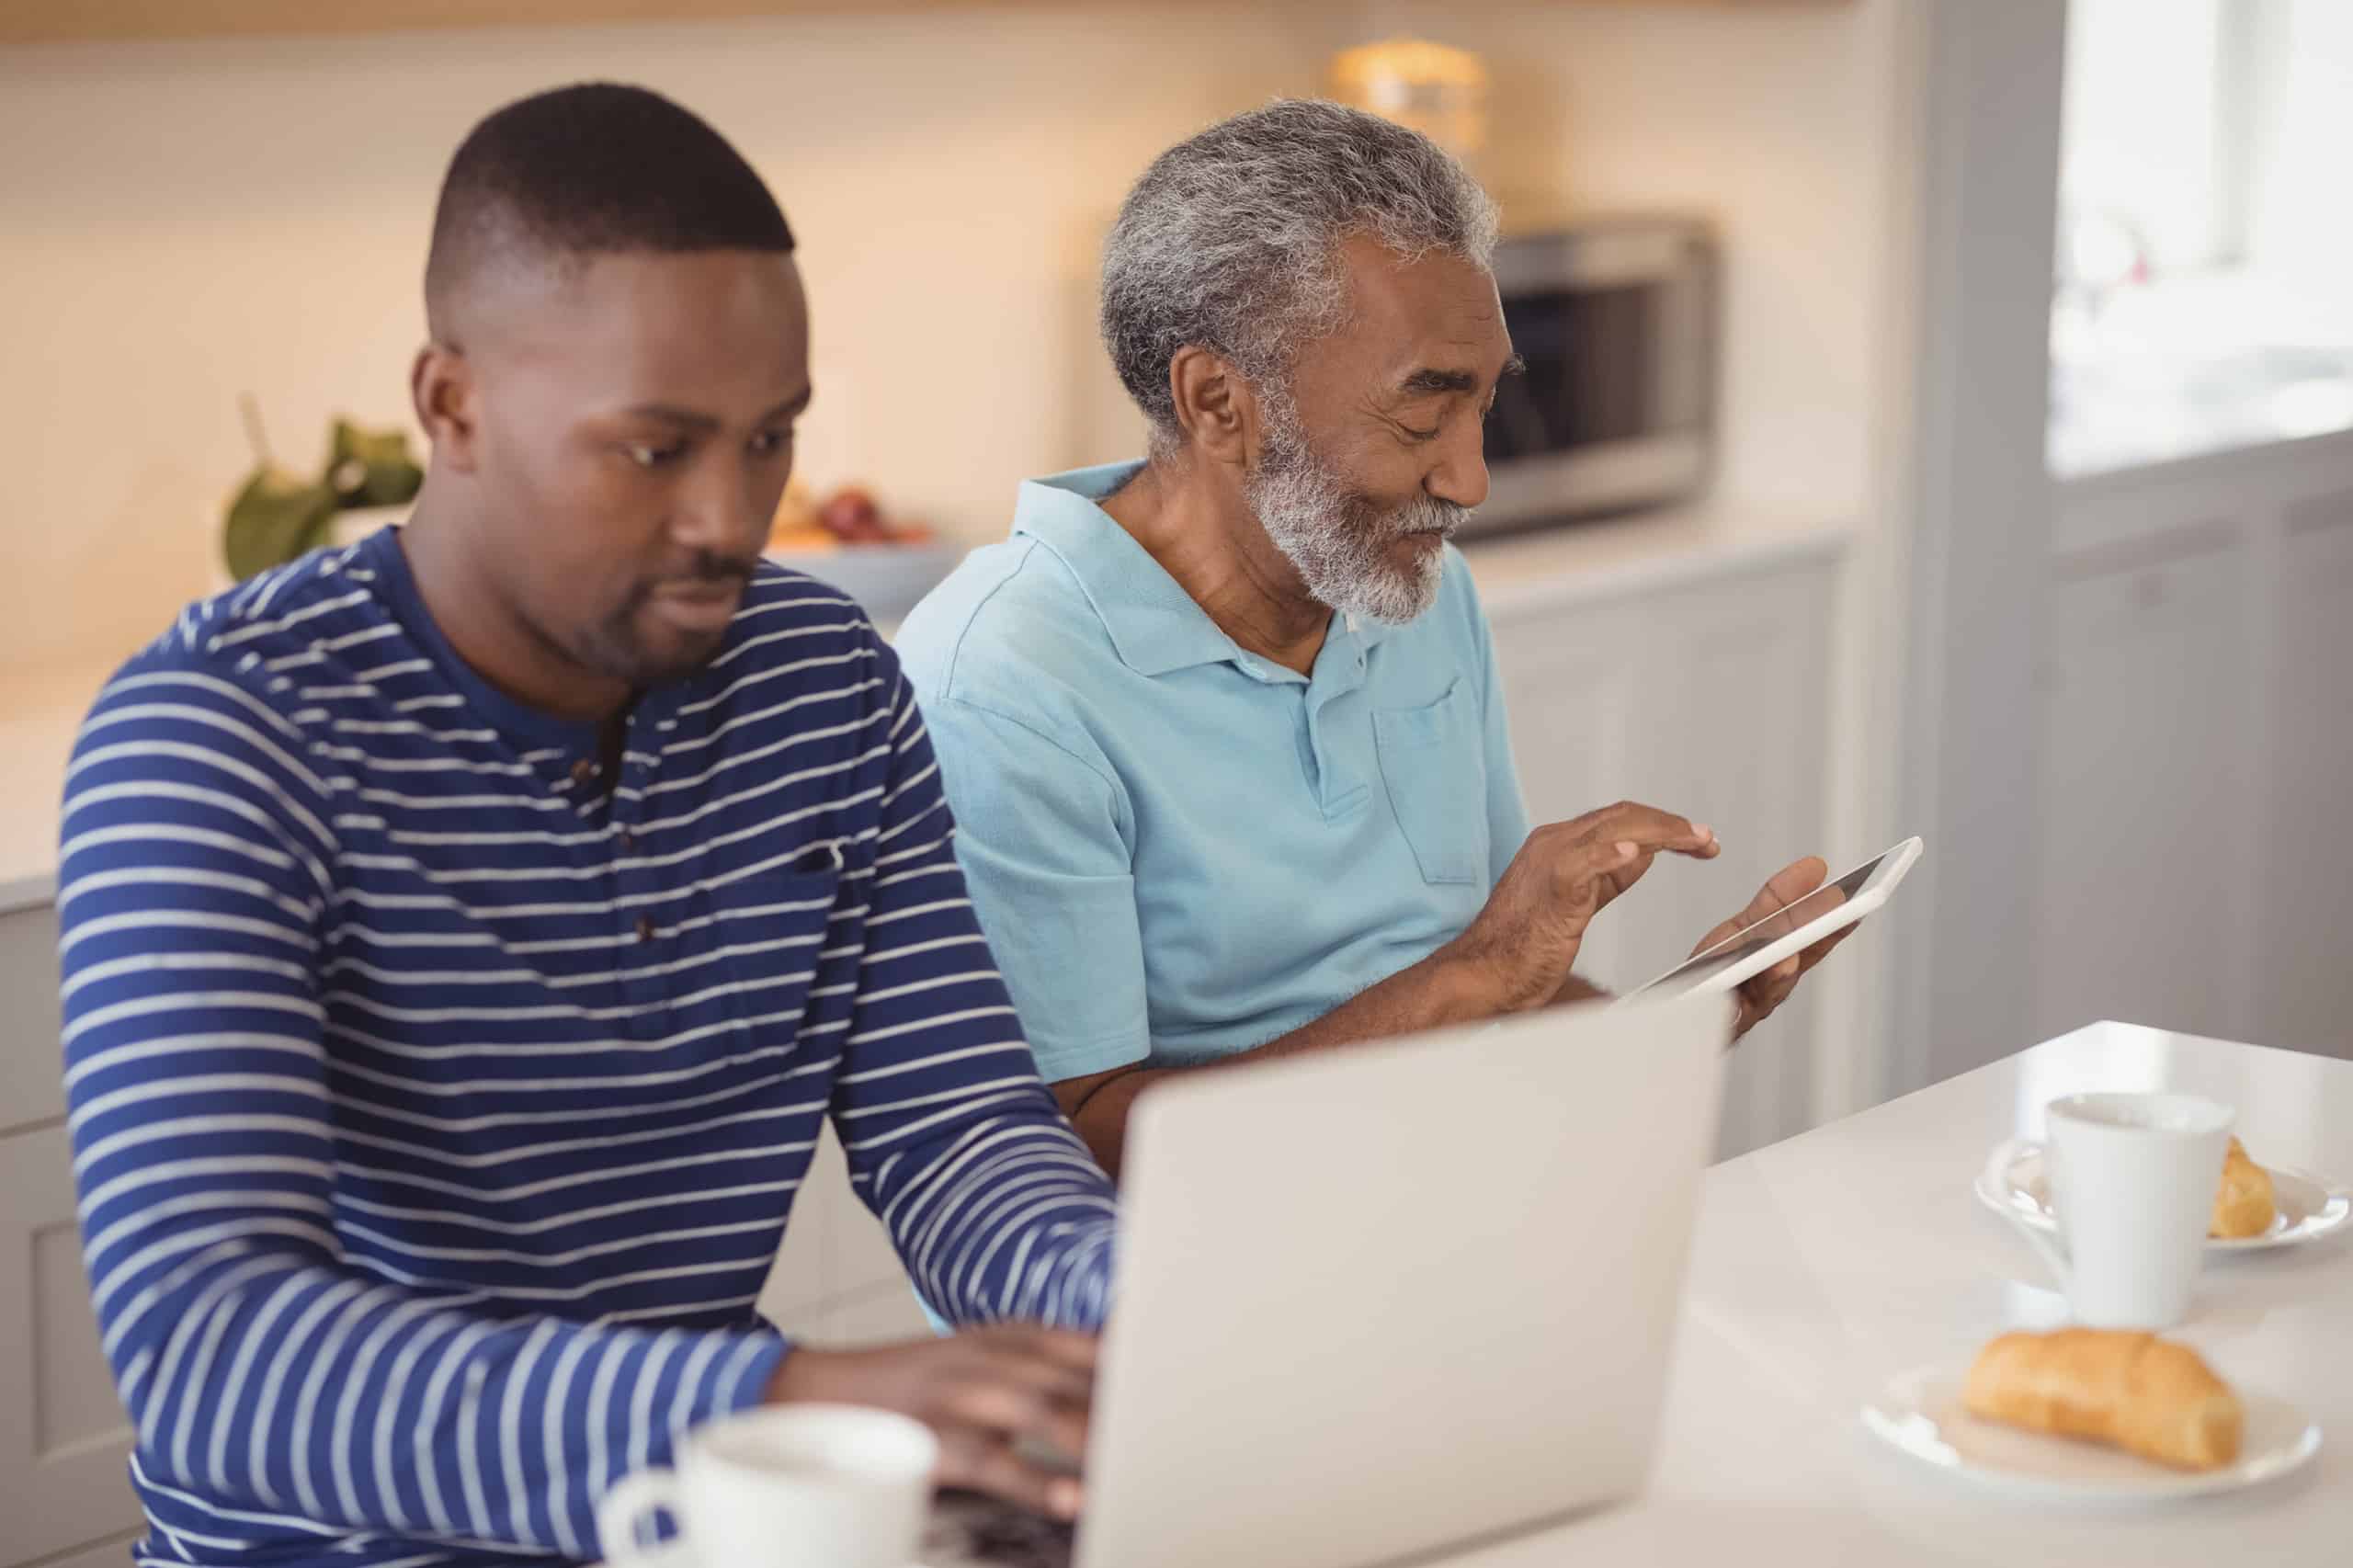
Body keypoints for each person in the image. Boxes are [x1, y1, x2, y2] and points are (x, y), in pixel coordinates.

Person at [59, 85, 1112, 1568]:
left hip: (723, 1517)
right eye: (654, 448)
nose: (729, 517)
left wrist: (1130, 1318)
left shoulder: (824, 683)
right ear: (453, 405)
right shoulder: (218, 739)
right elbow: (213, 1357)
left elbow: (957, 1132)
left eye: (769, 439)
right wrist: (782, 1393)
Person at [894, 100, 1853, 1180]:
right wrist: (1479, 972)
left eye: (1483, 405)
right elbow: (1057, 1157)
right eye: (1421, 414)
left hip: (1451, 1236)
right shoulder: (1003, 680)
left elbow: (1494, 997)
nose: (1470, 480)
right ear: (1219, 402)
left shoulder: (1415, 593)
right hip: (1176, 1320)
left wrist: (1680, 1021)